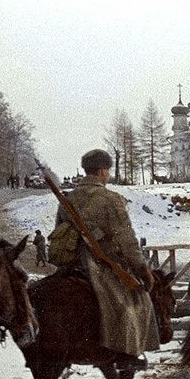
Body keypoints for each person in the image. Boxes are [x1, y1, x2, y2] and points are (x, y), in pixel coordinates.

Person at [55, 149, 158, 367]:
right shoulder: (111, 199)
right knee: (138, 300)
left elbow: (59, 235)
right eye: (108, 171)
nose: (108, 175)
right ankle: (131, 354)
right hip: (101, 267)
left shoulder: (67, 199)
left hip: (71, 264)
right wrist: (143, 271)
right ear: (102, 171)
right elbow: (127, 241)